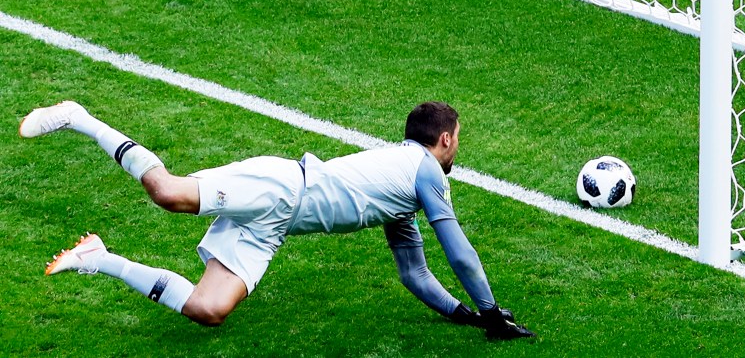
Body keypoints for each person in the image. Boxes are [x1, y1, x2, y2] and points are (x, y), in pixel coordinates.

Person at [19, 100, 535, 339]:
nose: (457, 148)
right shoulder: (425, 171)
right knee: (167, 192)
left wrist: (464, 316)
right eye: (458, 139)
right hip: (282, 186)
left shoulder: (402, 190)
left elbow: (415, 272)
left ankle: (99, 257)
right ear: (445, 139)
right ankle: (80, 118)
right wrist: (491, 309)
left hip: (273, 227)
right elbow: (458, 251)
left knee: (208, 309)